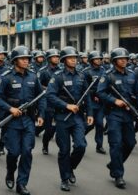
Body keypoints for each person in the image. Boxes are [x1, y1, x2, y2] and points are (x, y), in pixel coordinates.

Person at [0, 45, 45, 195]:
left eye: (27, 59)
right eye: (22, 59)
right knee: (14, 153)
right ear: (15, 61)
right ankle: (10, 172)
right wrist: (10, 109)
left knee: (27, 152)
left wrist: (41, 115)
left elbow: (41, 97)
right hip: (12, 121)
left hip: (28, 119)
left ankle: (22, 184)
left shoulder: (33, 77)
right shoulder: (6, 76)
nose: (26, 61)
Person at [97, 47, 138, 189]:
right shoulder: (107, 75)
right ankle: (118, 174)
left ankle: (114, 164)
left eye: (125, 58)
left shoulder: (132, 75)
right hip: (114, 114)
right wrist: (115, 101)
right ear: (114, 61)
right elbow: (100, 93)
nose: (124, 61)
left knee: (130, 143)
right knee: (116, 144)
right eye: (121, 59)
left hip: (129, 114)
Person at [46, 46, 94, 192]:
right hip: (62, 117)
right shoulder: (58, 77)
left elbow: (87, 96)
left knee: (81, 145)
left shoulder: (81, 76)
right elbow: (50, 95)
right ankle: (64, 178)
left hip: (77, 117)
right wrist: (66, 105)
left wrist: (90, 113)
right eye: (71, 58)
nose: (74, 60)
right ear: (64, 60)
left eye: (75, 57)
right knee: (64, 150)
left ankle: (70, 167)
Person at [82, 51, 107, 154]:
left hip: (101, 101)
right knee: (90, 124)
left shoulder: (104, 70)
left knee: (100, 124)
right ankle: (80, 136)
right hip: (91, 101)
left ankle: (99, 145)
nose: (99, 61)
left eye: (100, 59)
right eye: (96, 59)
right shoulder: (86, 72)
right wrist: (94, 95)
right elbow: (85, 88)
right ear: (91, 60)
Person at [37, 48, 60, 155]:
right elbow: (37, 86)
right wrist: (47, 88)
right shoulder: (43, 71)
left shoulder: (61, 71)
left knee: (56, 127)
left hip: (60, 102)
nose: (56, 59)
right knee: (49, 128)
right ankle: (45, 145)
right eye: (54, 57)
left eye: (57, 57)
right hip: (48, 102)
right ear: (49, 58)